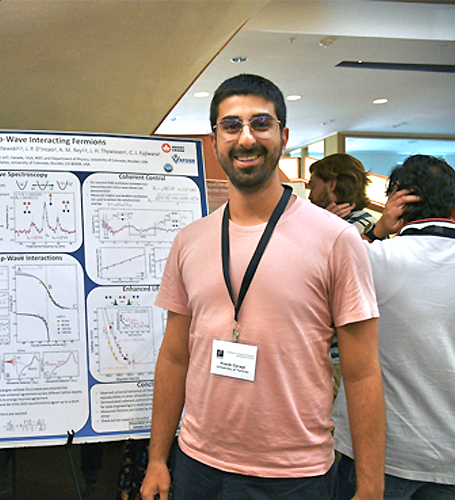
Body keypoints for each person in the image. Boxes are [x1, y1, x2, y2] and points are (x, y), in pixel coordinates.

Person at [140, 74, 385, 500]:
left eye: (261, 124)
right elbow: (175, 355)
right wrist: (158, 459)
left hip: (294, 475)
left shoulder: (336, 240)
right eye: (231, 126)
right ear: (215, 140)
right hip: (197, 467)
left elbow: (363, 373)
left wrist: (370, 487)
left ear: (283, 136)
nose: (246, 138)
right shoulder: (190, 240)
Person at [333, 155, 455, 500]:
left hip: (381, 455)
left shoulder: (377, 259)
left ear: (397, 200)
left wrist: (377, 229)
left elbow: (329, 268)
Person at [307, 153, 376, 399]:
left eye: (313, 185)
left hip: (338, 355)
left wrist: (326, 229)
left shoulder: (361, 228)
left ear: (332, 184)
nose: (309, 194)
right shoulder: (328, 224)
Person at [308, 153, 375, 233]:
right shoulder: (365, 222)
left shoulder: (355, 228)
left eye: (313, 187)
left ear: (332, 184)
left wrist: (323, 226)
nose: (310, 196)